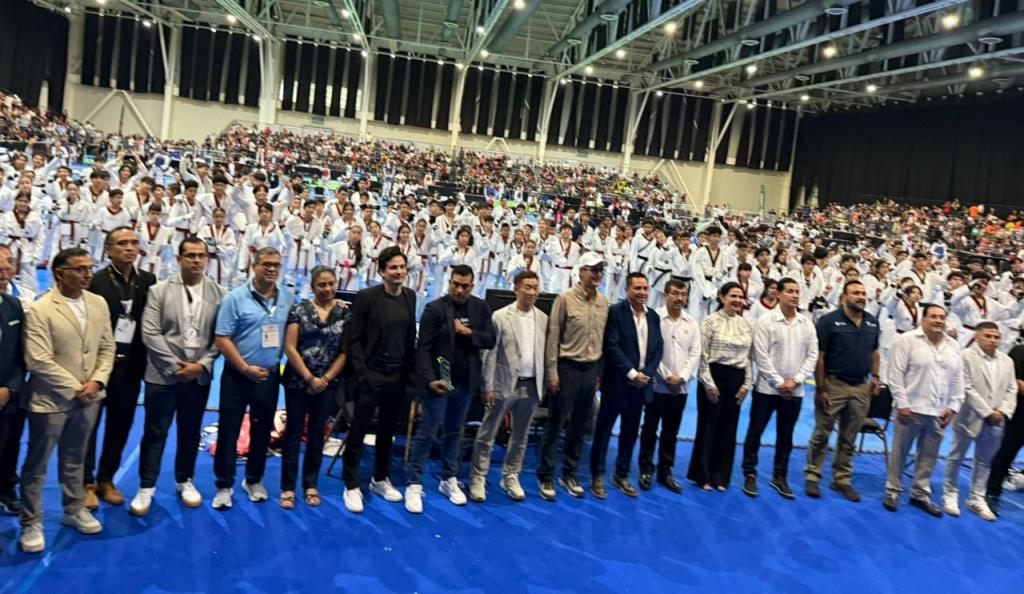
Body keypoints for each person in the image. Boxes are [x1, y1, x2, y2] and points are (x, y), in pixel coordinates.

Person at [18, 248, 115, 553]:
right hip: (51, 400)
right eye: (80, 269)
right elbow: (38, 359)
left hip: (90, 397)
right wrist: (77, 388)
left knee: (75, 458)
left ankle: (73, 509)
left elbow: (107, 348)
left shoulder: (98, 303)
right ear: (60, 273)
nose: (88, 274)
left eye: (90, 268)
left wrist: (97, 381)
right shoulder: (41, 309)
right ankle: (31, 521)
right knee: (37, 464)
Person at [130, 237, 226, 516]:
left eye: (201, 255)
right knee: (155, 432)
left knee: (190, 430)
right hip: (162, 375)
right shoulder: (159, 291)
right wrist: (175, 366)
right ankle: (146, 486)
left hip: (198, 376)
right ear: (179, 259)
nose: (197, 260)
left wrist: (202, 365)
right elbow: (150, 332)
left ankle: (185, 479)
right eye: (191, 255)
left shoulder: (219, 293)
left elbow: (221, 336)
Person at [406, 264, 495, 513]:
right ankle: (414, 483)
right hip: (439, 379)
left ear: (472, 286)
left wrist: (468, 332)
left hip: (465, 380)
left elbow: (490, 339)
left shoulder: (480, 307)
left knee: (454, 431)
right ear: (449, 283)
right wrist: (429, 379)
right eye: (455, 284)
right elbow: (423, 349)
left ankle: (449, 478)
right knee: (428, 431)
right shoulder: (435, 308)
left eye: (464, 286)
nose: (459, 290)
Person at [212, 247, 295, 510]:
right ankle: (224, 485)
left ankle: (253, 480)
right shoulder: (235, 298)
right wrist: (245, 368)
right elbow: (222, 338)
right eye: (266, 264)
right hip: (237, 375)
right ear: (254, 266)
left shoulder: (288, 297)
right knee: (229, 431)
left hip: (268, 376)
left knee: (262, 430)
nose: (271, 269)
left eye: (276, 265)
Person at [84, 226, 157, 509]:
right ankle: (85, 482)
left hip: (132, 365)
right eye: (122, 243)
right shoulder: (96, 281)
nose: (129, 248)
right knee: (88, 426)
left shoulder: (148, 281)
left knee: (121, 424)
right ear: (108, 250)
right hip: (98, 365)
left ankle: (106, 478)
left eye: (134, 243)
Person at [341, 246, 417, 514]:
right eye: (393, 267)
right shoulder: (367, 297)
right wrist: (363, 373)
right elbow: (355, 339)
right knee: (359, 429)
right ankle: (351, 483)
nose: (399, 272)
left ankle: (380, 478)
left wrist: (409, 374)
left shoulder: (410, 296)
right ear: (382, 271)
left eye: (402, 267)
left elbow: (409, 337)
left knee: (388, 430)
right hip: (371, 374)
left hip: (397, 375)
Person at [470, 270, 547, 503]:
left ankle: (511, 475)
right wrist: (488, 386)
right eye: (527, 287)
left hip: (531, 385)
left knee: (521, 436)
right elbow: (490, 354)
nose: (532, 292)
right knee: (487, 434)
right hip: (503, 384)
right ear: (516, 288)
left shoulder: (543, 318)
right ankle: (478, 476)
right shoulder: (500, 316)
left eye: (535, 288)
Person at [538, 252, 610, 501]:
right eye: (593, 269)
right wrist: (552, 372)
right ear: (581, 272)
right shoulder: (565, 299)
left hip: (590, 369)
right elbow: (553, 337)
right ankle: (546, 475)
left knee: (580, 425)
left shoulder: (604, 302)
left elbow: (603, 341)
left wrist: (599, 373)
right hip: (567, 368)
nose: (597, 274)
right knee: (555, 423)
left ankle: (569, 474)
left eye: (600, 270)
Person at [883, 304, 964, 516]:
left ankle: (920, 493)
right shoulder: (906, 340)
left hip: (939, 411)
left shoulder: (953, 346)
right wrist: (902, 403)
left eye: (942, 317)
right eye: (933, 316)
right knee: (899, 452)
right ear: (923, 319)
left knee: (929, 456)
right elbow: (895, 375)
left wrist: (953, 406)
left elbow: (958, 378)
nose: (939, 320)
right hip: (910, 409)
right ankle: (892, 490)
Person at [804, 280, 881, 502]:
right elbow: (820, 357)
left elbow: (875, 352)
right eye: (856, 293)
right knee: (822, 432)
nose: (861, 297)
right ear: (844, 297)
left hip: (861, 386)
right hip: (834, 384)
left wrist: (876, 377)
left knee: (849, 436)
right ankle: (812, 475)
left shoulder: (872, 322)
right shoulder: (829, 321)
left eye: (863, 293)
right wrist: (821, 388)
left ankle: (842, 479)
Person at [280, 266, 350, 510]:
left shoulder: (344, 313)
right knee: (293, 433)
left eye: (331, 283)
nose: (327, 288)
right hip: (298, 382)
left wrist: (325, 379)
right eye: (322, 284)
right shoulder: (299, 310)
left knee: (317, 434)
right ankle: (288, 487)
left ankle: (310, 484)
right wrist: (310, 378)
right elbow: (290, 347)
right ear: (312, 287)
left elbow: (345, 352)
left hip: (327, 384)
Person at [742, 277, 818, 500]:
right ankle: (749, 473)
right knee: (755, 431)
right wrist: (779, 382)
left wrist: (797, 380)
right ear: (778, 294)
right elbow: (760, 355)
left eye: (797, 292)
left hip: (795, 390)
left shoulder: (806, 323)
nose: (795, 295)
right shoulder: (766, 321)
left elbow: (812, 355)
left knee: (786, 435)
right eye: (790, 291)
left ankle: (779, 476)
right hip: (767, 388)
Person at [590, 272, 663, 499]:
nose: (642, 292)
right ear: (627, 290)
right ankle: (597, 475)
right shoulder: (616, 312)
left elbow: (658, 348)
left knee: (630, 432)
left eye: (645, 288)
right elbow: (612, 346)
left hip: (641, 386)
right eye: (637, 288)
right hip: (618, 383)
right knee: (604, 430)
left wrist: (646, 374)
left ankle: (621, 474)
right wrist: (632, 373)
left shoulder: (653, 316)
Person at [942, 321, 1015, 521]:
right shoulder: (965, 356)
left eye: (996, 337)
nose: (993, 340)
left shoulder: (1006, 361)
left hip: (997, 419)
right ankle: (950, 494)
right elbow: (965, 387)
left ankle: (977, 497)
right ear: (977, 337)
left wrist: (1003, 411)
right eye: (988, 336)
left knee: (985, 461)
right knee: (956, 457)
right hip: (970, 416)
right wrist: (987, 412)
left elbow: (1012, 389)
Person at [687, 281, 753, 491]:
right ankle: (703, 475)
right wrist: (708, 383)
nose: (737, 300)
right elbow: (702, 355)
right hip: (714, 376)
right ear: (722, 297)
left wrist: (747, 384)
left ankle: (721, 476)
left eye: (740, 297)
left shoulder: (746, 324)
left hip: (737, 379)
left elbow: (749, 358)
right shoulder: (710, 321)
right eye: (733, 296)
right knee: (708, 426)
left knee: (729, 428)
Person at [638, 278, 700, 493]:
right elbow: (649, 350)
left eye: (683, 294)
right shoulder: (654, 317)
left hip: (680, 387)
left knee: (671, 430)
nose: (679, 298)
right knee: (650, 428)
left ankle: (665, 471)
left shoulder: (692, 322)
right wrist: (666, 376)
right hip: (657, 384)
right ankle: (646, 468)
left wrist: (681, 377)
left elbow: (695, 353)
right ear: (665, 295)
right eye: (675, 293)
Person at [0, 246, 26, 515]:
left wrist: (10, 387)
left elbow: (21, 355)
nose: (3, 273)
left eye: (8, 267)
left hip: (8, 395)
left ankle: (6, 488)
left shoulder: (13, 306)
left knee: (9, 444)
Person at [986, 340, 1024, 516]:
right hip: (1018, 416)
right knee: (1005, 455)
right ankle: (992, 493)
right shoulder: (1020, 351)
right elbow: (1018, 384)